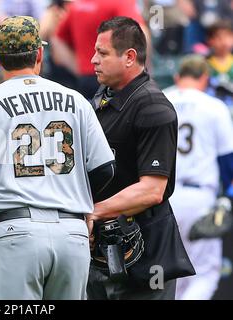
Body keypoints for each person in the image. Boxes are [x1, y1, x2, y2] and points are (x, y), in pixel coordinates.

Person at [0, 15, 115, 300]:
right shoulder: (76, 99)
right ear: (39, 53)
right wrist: (70, 195)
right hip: (72, 232)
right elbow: (105, 170)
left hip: (15, 230)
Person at [87, 16, 194, 300]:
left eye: (103, 53)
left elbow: (152, 190)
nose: (92, 60)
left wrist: (93, 211)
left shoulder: (153, 107)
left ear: (130, 57)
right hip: (102, 248)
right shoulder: (102, 97)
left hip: (146, 252)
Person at [163, 55, 233, 300]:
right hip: (198, 197)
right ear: (205, 79)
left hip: (162, 197)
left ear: (177, 77)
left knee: (172, 275)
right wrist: (227, 196)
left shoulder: (161, 99)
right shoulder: (214, 106)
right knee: (205, 274)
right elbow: (228, 161)